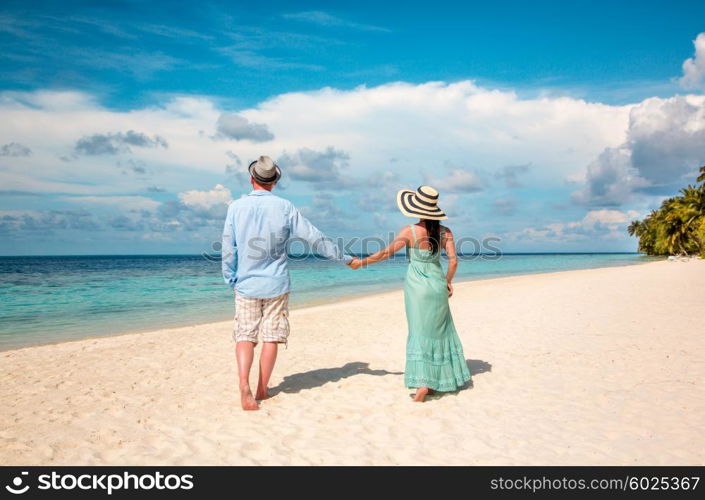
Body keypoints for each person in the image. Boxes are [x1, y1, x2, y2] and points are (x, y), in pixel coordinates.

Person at [222, 156, 353, 411]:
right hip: (276, 284)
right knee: (271, 337)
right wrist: (344, 258)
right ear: (274, 182)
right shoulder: (284, 207)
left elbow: (229, 248)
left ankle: (243, 384)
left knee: (244, 335)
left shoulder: (236, 207)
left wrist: (231, 278)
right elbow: (313, 236)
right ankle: (262, 388)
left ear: (252, 179)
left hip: (246, 283)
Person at [350, 186, 471, 402]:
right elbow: (453, 261)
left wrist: (361, 263)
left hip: (416, 289)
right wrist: (448, 281)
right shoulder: (446, 232)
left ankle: (424, 384)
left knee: (419, 332)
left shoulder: (410, 231)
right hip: (437, 286)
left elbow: (385, 253)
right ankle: (436, 380)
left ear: (418, 209)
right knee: (439, 333)